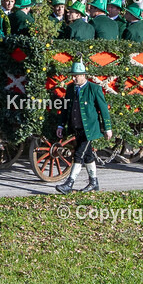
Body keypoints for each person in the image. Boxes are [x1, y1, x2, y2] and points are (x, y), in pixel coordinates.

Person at [55, 61, 113, 193]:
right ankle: (94, 183)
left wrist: (107, 128)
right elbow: (65, 109)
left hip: (90, 130)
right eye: (73, 75)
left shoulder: (94, 89)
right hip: (77, 128)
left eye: (77, 75)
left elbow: (103, 110)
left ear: (84, 75)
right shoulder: (70, 89)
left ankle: (69, 184)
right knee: (88, 156)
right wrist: (60, 125)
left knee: (79, 155)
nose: (74, 78)